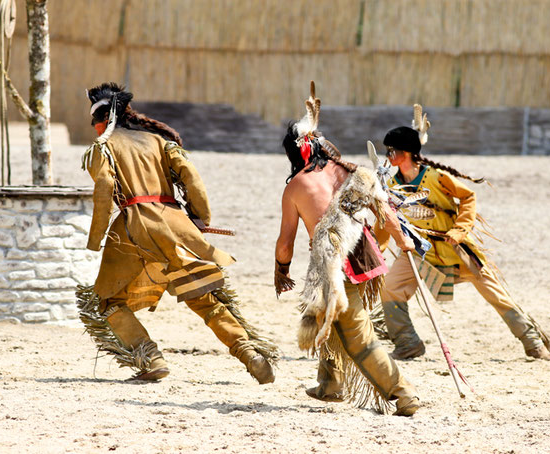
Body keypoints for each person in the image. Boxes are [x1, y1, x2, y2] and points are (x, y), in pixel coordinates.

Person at [77, 82, 278, 383]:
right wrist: (198, 218)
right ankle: (248, 352)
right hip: (177, 225)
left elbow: (105, 188)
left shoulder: (101, 148)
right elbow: (191, 177)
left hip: (135, 227)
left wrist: (95, 240)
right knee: (203, 297)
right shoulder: (157, 142)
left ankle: (150, 359)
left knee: (107, 301)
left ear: (102, 122)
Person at [274, 83, 420, 416]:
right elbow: (385, 210)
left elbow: (285, 243)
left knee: (355, 332)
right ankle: (331, 384)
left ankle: (403, 393)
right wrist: (402, 241)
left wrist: (280, 269)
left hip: (334, 261)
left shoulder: (296, 186)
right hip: (365, 253)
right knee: (329, 312)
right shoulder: (350, 171)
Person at [374, 109, 550, 361]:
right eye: (387, 150)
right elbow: (387, 219)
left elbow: (468, 197)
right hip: (417, 249)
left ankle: (532, 342)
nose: (388, 155)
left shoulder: (437, 177)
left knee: (494, 292)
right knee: (391, 289)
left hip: (453, 246)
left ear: (408, 153)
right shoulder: (390, 186)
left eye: (392, 150)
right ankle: (407, 343)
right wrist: (376, 249)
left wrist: (459, 230)